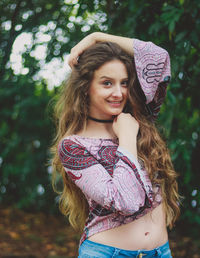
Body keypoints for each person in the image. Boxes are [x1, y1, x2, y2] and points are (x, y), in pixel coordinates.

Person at [51, 32, 180, 257]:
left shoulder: (141, 116)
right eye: (107, 83)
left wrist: (96, 37)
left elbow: (159, 59)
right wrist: (128, 137)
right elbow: (126, 201)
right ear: (85, 87)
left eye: (124, 83)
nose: (118, 93)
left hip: (161, 252)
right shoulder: (73, 147)